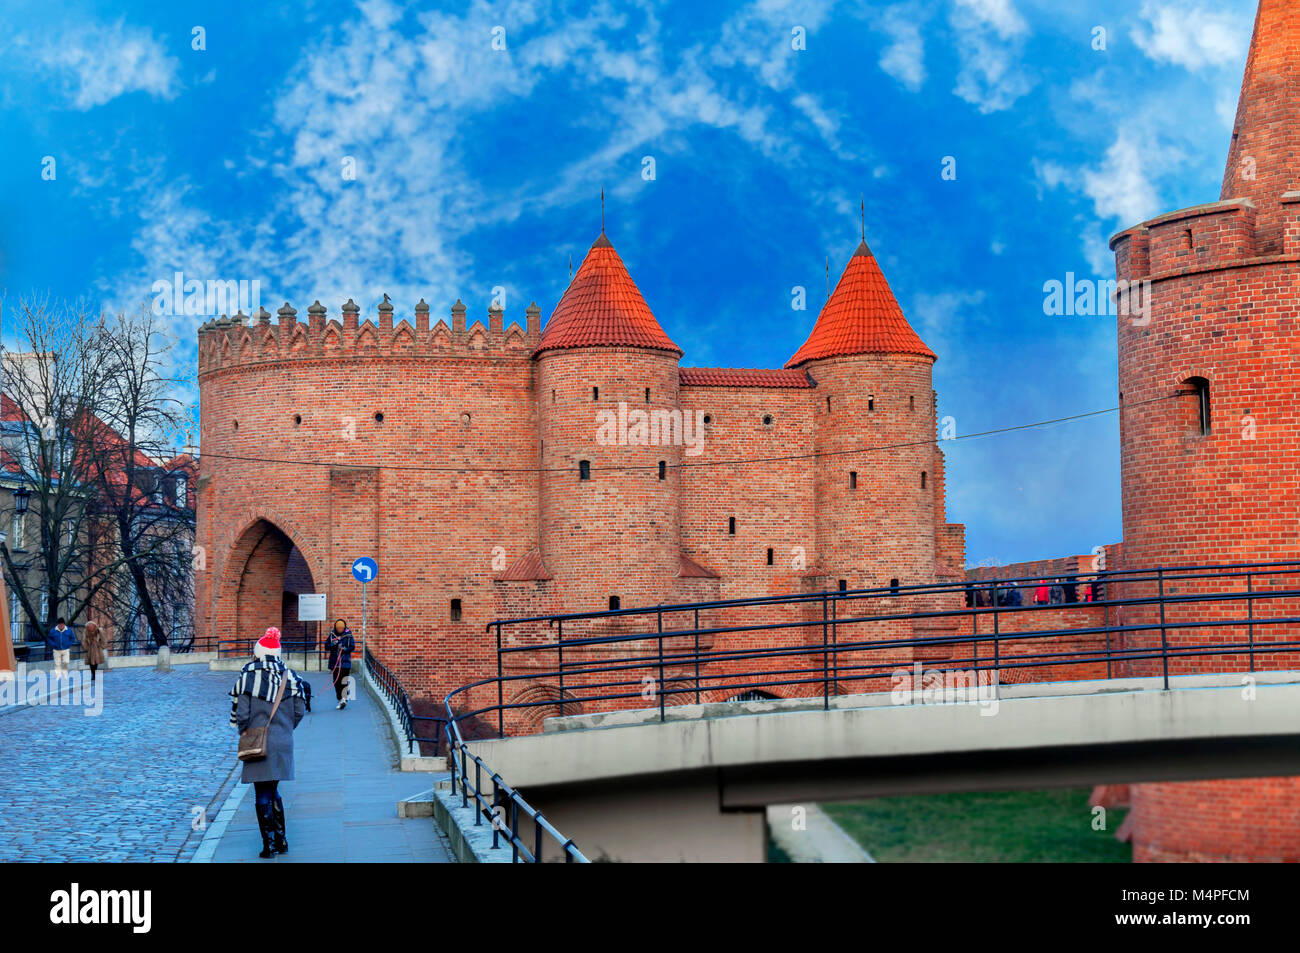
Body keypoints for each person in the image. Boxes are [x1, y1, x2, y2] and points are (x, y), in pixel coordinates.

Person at [229, 628, 311, 858]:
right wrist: (285, 729)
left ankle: (269, 845)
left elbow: (242, 714)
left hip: (258, 741)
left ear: (258, 652)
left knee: (262, 793)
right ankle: (282, 840)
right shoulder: (291, 677)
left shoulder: (248, 677)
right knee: (274, 789)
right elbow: (299, 710)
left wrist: (247, 732)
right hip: (283, 741)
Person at [325, 618, 356, 710]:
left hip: (345, 661)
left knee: (344, 681)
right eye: (338, 628)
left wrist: (345, 649)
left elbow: (352, 646)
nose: (340, 630)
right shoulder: (332, 635)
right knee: (336, 682)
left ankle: (344, 698)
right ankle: (340, 698)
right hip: (335, 662)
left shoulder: (348, 635)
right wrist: (334, 644)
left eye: (341, 628)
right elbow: (326, 646)